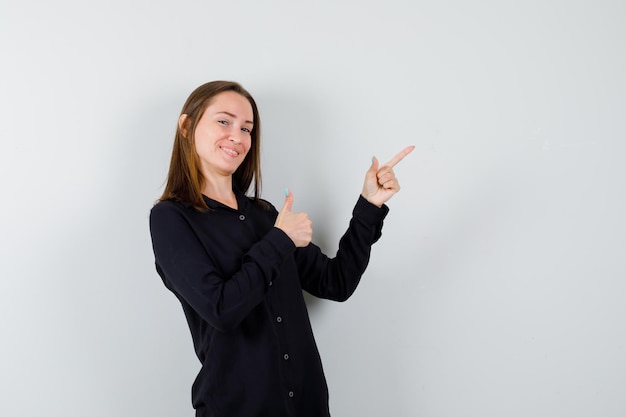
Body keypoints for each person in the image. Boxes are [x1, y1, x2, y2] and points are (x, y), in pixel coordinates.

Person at [149, 80, 413, 417]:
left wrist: (369, 206)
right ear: (187, 126)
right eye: (224, 121)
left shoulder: (266, 216)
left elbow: (337, 282)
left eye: (247, 128)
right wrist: (280, 240)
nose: (237, 136)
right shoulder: (171, 219)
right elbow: (221, 309)